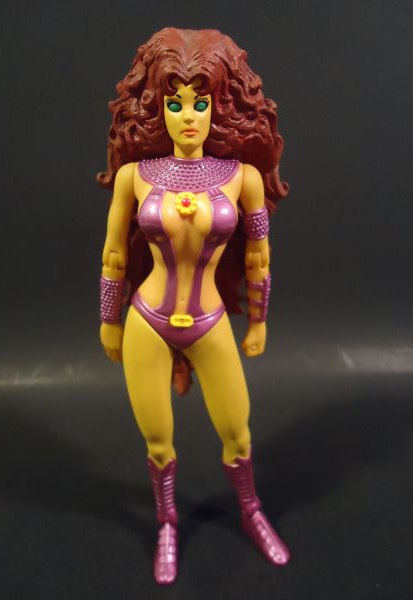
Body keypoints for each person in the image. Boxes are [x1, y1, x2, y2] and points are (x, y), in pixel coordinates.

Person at [97, 27, 290, 585]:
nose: (188, 116)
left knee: (238, 432)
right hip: (147, 322)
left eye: (200, 103)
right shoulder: (134, 177)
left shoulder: (243, 179)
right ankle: (167, 522)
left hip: (209, 323)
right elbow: (114, 252)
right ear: (157, 107)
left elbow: (258, 255)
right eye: (175, 103)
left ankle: (251, 510)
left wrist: (258, 319)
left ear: (219, 107)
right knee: (159, 442)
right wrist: (109, 318)